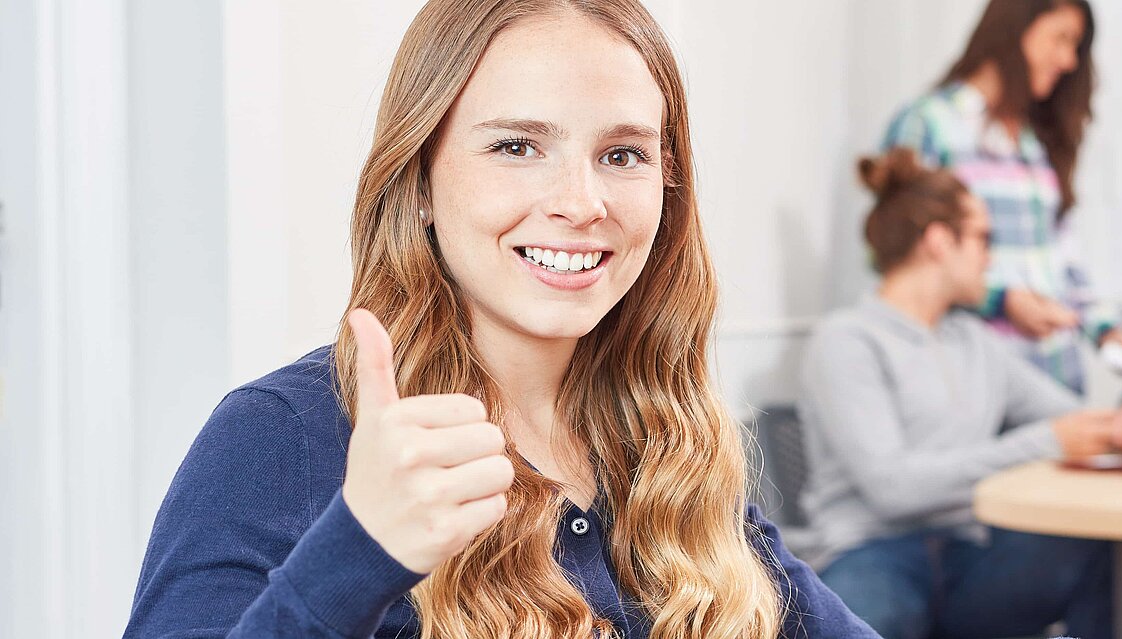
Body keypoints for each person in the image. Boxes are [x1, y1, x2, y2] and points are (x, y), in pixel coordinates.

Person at [123, 2, 874, 637]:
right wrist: (359, 552)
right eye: (517, 146)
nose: (582, 203)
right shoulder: (285, 437)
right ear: (418, 177)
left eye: (622, 155)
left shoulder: (667, 445)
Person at [793, 149, 1122, 639]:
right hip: (870, 551)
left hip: (970, 554)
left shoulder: (975, 342)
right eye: (983, 239)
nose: (991, 258)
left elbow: (1072, 419)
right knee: (865, 618)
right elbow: (892, 489)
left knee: (1093, 549)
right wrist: (1049, 442)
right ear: (940, 242)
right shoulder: (846, 340)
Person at [881, 0, 1122, 393]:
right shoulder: (928, 126)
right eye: (1060, 39)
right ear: (1014, 29)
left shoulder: (1033, 145)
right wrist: (1001, 301)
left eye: (1075, 47)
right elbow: (896, 261)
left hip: (1057, 383)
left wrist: (1112, 337)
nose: (1068, 61)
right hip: (974, 388)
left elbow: (1064, 264)